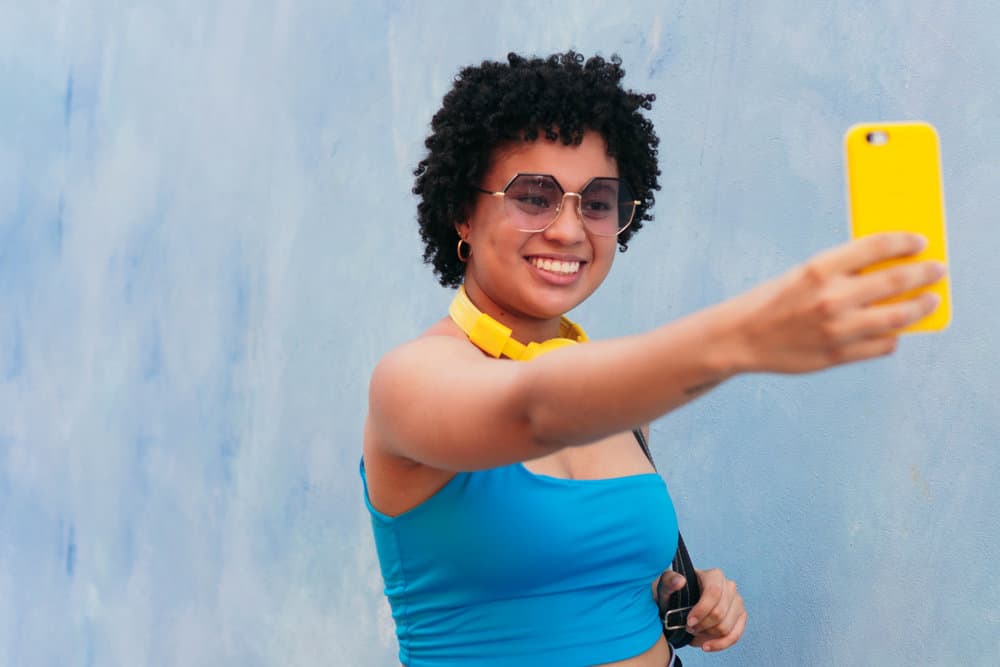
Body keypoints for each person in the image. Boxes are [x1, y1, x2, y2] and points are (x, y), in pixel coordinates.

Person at [360, 52, 945, 667]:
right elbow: (533, 409)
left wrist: (677, 598)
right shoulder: (409, 380)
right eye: (534, 196)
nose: (568, 230)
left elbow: (569, 583)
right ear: (463, 213)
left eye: (597, 201)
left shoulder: (620, 401)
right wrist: (741, 337)